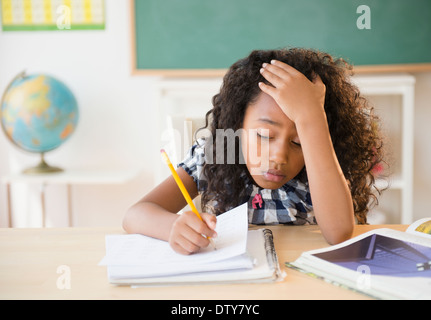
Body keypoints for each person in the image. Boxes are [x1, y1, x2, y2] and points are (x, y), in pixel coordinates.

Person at [123, 48, 385, 255]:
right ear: (237, 124)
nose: (278, 157)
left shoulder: (320, 162)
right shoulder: (216, 155)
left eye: (299, 142)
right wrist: (173, 227)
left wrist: (312, 118)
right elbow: (135, 214)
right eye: (264, 135)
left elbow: (339, 233)